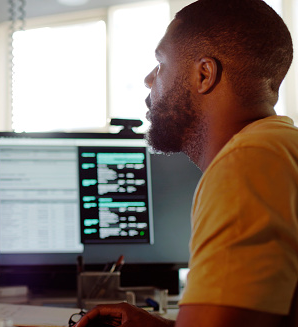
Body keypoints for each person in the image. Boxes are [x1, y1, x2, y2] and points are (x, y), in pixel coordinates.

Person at [74, 0, 298, 326]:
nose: (149, 79)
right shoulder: (282, 146)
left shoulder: (244, 165)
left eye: (160, 63)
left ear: (204, 74)